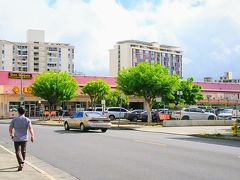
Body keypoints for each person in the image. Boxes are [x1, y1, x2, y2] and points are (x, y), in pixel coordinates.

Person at [9, 107, 34, 171]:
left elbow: (10, 128)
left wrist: (11, 135)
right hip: (24, 138)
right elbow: (30, 128)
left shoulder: (14, 120)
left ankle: (20, 163)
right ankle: (22, 162)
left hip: (16, 138)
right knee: (23, 151)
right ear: (24, 112)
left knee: (17, 151)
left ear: (18, 112)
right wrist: (32, 136)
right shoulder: (27, 120)